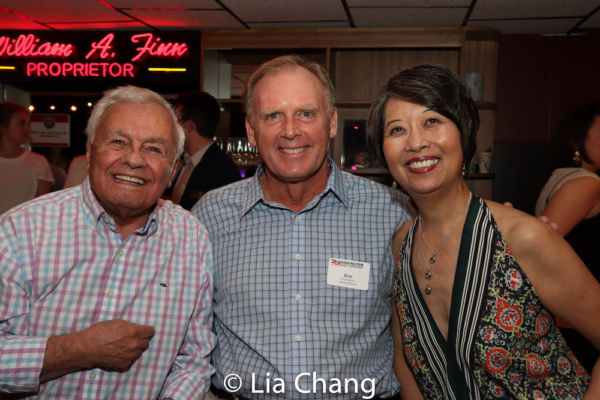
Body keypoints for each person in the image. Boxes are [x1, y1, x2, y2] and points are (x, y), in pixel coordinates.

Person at [367, 64, 600, 399]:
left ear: (463, 133)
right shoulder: (402, 244)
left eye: (432, 120)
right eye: (396, 130)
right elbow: (404, 355)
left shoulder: (521, 237)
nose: (416, 142)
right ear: (383, 152)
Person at [192, 55, 415, 399]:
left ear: (331, 122)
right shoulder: (210, 216)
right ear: (252, 131)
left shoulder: (392, 213)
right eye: (273, 116)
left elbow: (421, 335)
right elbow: (188, 335)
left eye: (306, 113)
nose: (291, 130)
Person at [0, 86, 215, 399]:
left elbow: (194, 359)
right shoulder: (21, 231)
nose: (134, 159)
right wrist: (80, 349)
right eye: (118, 142)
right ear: (89, 151)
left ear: (172, 170)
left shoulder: (192, 239)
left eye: (154, 149)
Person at [535, 103, 600, 372]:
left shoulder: (562, 177)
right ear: (576, 140)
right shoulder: (586, 182)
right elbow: (541, 249)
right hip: (578, 323)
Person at [169, 90, 241, 210]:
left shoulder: (223, 171)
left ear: (189, 126)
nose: (172, 127)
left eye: (177, 120)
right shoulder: (184, 161)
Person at [0, 102, 53, 214]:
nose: (28, 129)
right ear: (3, 128)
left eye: (28, 124)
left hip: (24, 229)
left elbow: (43, 207)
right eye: (21, 124)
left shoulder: (38, 161)